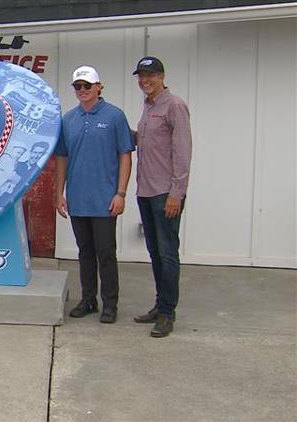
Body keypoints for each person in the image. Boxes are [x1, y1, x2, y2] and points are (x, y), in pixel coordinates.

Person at [55, 65, 134, 324]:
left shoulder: (114, 116)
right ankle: (88, 299)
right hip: (78, 199)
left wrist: (120, 193)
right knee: (84, 252)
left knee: (106, 252)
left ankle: (110, 304)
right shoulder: (68, 119)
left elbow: (125, 154)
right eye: (77, 86)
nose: (82, 91)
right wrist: (59, 193)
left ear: (99, 87)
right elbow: (62, 158)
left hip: (104, 199)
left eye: (87, 86)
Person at [131, 57, 192, 338]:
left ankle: (167, 313)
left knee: (168, 254)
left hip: (165, 195)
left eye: (151, 75)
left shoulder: (174, 106)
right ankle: (160, 304)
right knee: (155, 252)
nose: (145, 81)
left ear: (162, 76)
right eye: (141, 76)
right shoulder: (148, 107)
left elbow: (182, 153)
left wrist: (176, 194)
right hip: (145, 191)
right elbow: (145, 142)